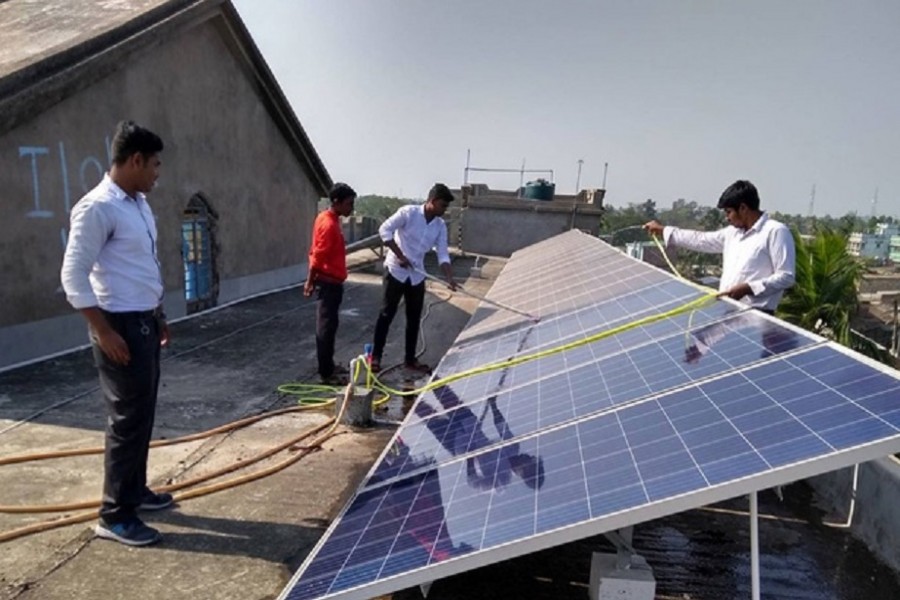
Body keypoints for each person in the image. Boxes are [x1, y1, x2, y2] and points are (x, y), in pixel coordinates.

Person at [60, 121, 172, 547]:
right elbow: (73, 277)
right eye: (155, 164)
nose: (158, 173)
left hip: (143, 322)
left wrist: (158, 315)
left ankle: (135, 491)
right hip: (118, 327)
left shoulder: (138, 204)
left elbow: (141, 268)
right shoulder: (98, 207)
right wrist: (104, 331)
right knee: (125, 421)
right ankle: (114, 515)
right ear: (135, 160)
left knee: (142, 414)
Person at [643, 180, 796, 315]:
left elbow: (786, 277)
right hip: (728, 311)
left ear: (743, 208)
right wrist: (664, 230)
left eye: (729, 212)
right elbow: (701, 240)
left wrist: (749, 288)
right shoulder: (732, 234)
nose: (727, 218)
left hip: (758, 316)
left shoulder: (775, 231)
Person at [371, 183, 458, 373]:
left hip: (417, 274)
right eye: (443, 205)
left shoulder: (439, 225)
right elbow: (384, 230)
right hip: (396, 270)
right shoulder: (408, 213)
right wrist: (400, 255)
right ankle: (375, 357)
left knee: (414, 318)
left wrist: (450, 278)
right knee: (386, 314)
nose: (445, 210)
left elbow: (443, 253)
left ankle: (410, 359)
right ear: (433, 201)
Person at [304, 183, 356, 384]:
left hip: (333, 282)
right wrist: (309, 282)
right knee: (325, 328)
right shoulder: (329, 225)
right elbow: (317, 257)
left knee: (330, 326)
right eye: (349, 204)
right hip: (328, 284)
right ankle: (326, 373)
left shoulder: (328, 219)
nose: (351, 208)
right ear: (337, 202)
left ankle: (329, 365)